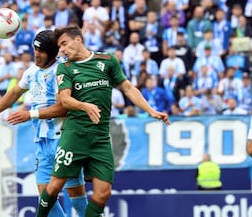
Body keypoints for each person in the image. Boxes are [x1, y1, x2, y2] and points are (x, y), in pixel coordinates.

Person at [36, 25, 170, 217]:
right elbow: (64, 100)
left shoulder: (107, 61)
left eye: (64, 44)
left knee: (103, 193)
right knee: (56, 185)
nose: (62, 50)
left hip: (100, 137)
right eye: (59, 47)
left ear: (78, 39)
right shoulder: (65, 68)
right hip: (75, 134)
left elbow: (128, 88)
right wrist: (85, 106)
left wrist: (150, 110)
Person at [0, 30, 87, 217]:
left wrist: (30, 114)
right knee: (45, 199)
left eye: (40, 51)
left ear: (51, 52)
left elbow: (63, 108)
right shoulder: (32, 72)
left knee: (76, 196)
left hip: (64, 141)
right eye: (34, 49)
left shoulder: (61, 70)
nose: (36, 54)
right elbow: (14, 93)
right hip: (43, 143)